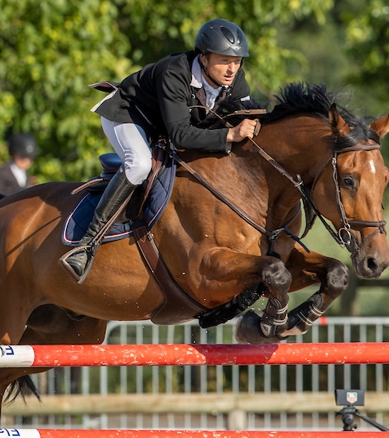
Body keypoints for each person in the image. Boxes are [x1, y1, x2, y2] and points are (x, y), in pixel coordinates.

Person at [60, 18, 261, 284]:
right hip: (129, 114)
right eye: (224, 60)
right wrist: (230, 135)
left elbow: (250, 112)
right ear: (203, 58)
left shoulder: (235, 79)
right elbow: (180, 134)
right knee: (140, 164)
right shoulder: (174, 72)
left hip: (163, 126)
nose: (232, 69)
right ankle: (86, 245)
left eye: (237, 61)